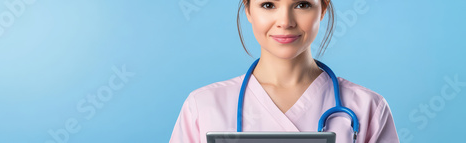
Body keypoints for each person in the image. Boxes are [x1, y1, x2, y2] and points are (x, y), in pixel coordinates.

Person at [170, 0, 399, 142]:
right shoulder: (203, 106)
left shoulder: (368, 107)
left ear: (323, 8)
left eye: (302, 4)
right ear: (248, 9)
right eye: (268, 5)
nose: (285, 21)